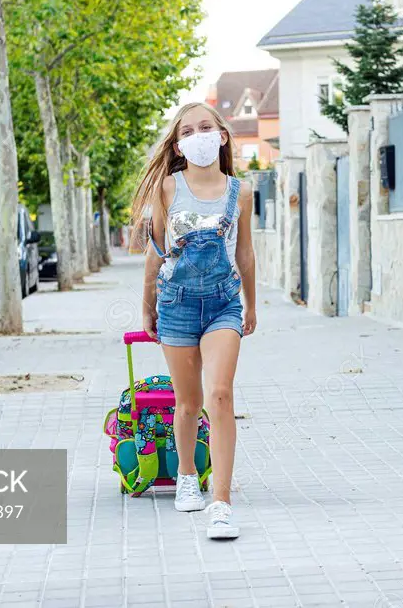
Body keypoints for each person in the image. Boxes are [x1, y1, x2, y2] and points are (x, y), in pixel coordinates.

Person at [130, 102, 257, 540]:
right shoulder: (167, 188)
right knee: (187, 404)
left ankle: (221, 503)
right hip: (177, 303)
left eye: (206, 127)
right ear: (179, 143)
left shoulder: (240, 191)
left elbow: (245, 252)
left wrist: (251, 304)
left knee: (219, 396)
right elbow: (157, 249)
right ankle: (187, 476)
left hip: (224, 302)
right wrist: (146, 305)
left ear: (222, 135)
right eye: (188, 130)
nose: (197, 135)